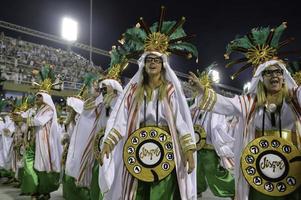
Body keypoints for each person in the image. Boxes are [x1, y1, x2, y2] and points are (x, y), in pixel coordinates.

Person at [188, 23, 301, 199]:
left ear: (284, 76)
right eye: (269, 73)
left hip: (291, 164)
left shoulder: (294, 99)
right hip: (260, 166)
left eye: (278, 72)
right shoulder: (250, 102)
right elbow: (225, 104)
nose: (274, 76)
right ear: (261, 78)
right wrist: (203, 91)